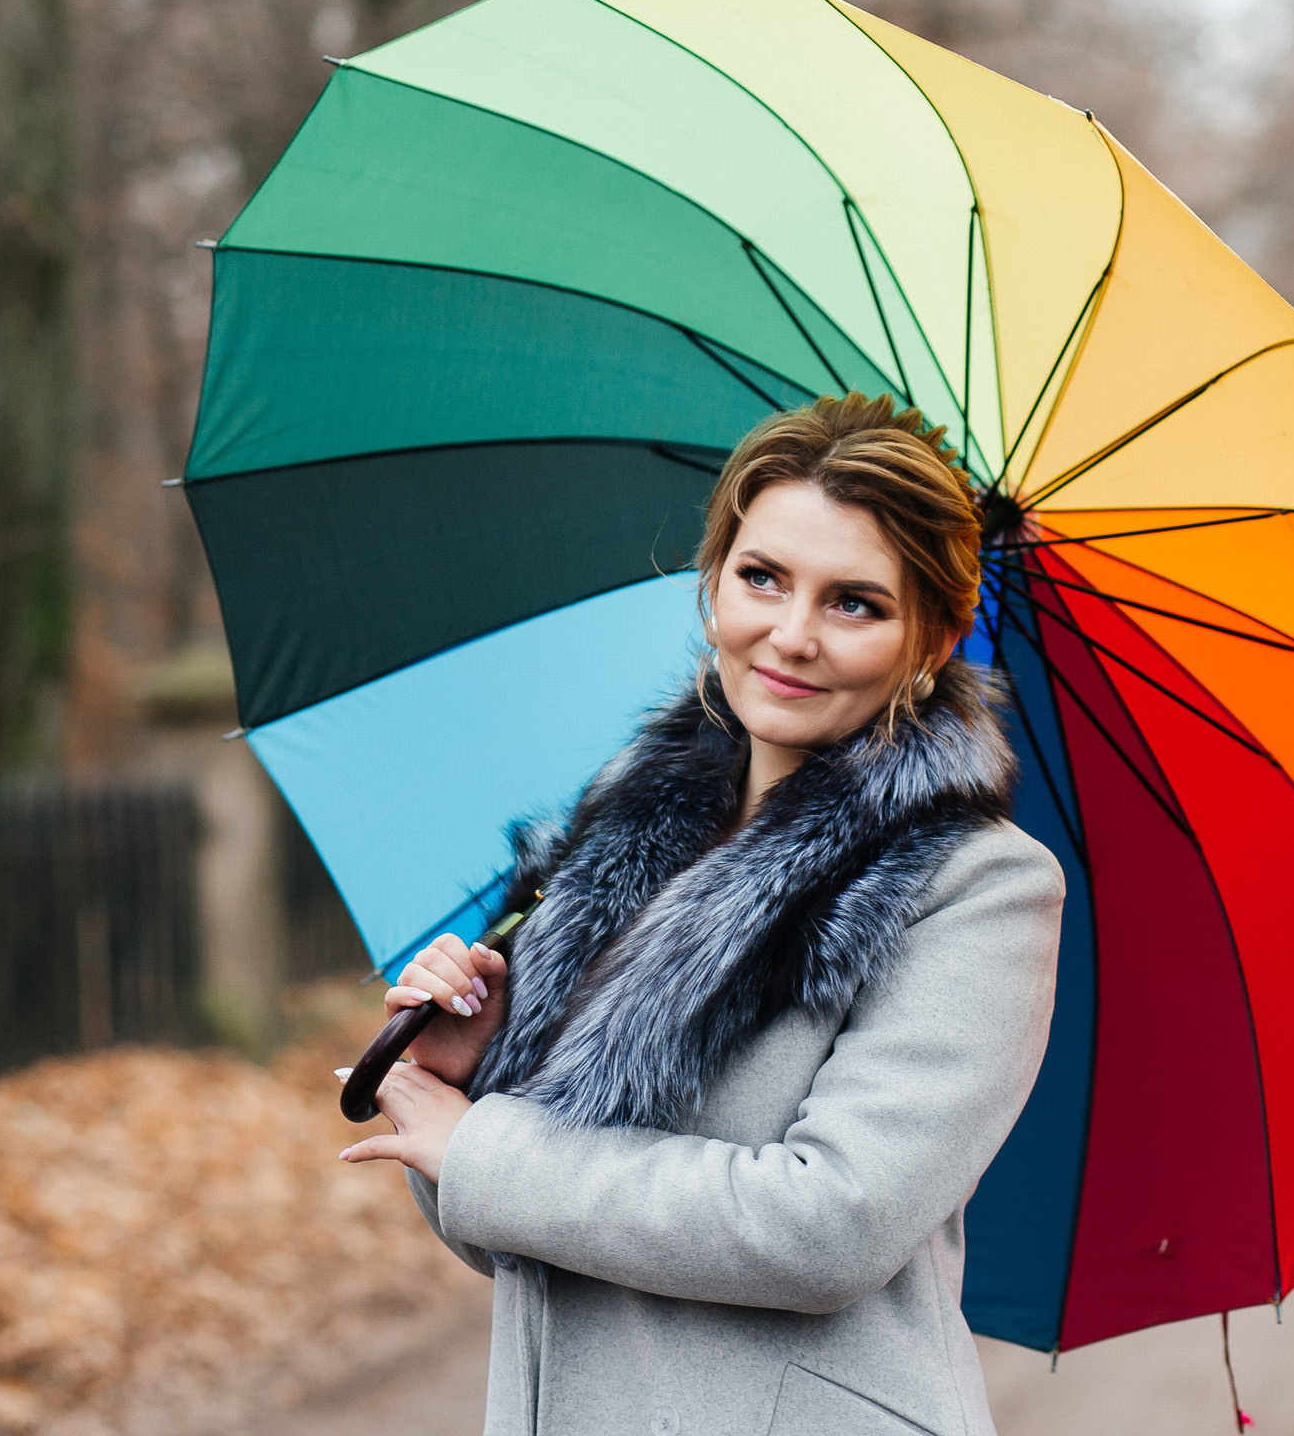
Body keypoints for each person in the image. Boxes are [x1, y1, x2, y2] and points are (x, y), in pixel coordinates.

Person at [338, 392, 1064, 1436]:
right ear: (711, 580)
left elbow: (830, 1226)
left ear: (936, 636)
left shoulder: (973, 886)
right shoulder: (623, 832)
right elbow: (523, 1239)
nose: (791, 634)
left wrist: (485, 1150)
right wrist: (466, 1073)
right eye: (761, 577)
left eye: (855, 602)